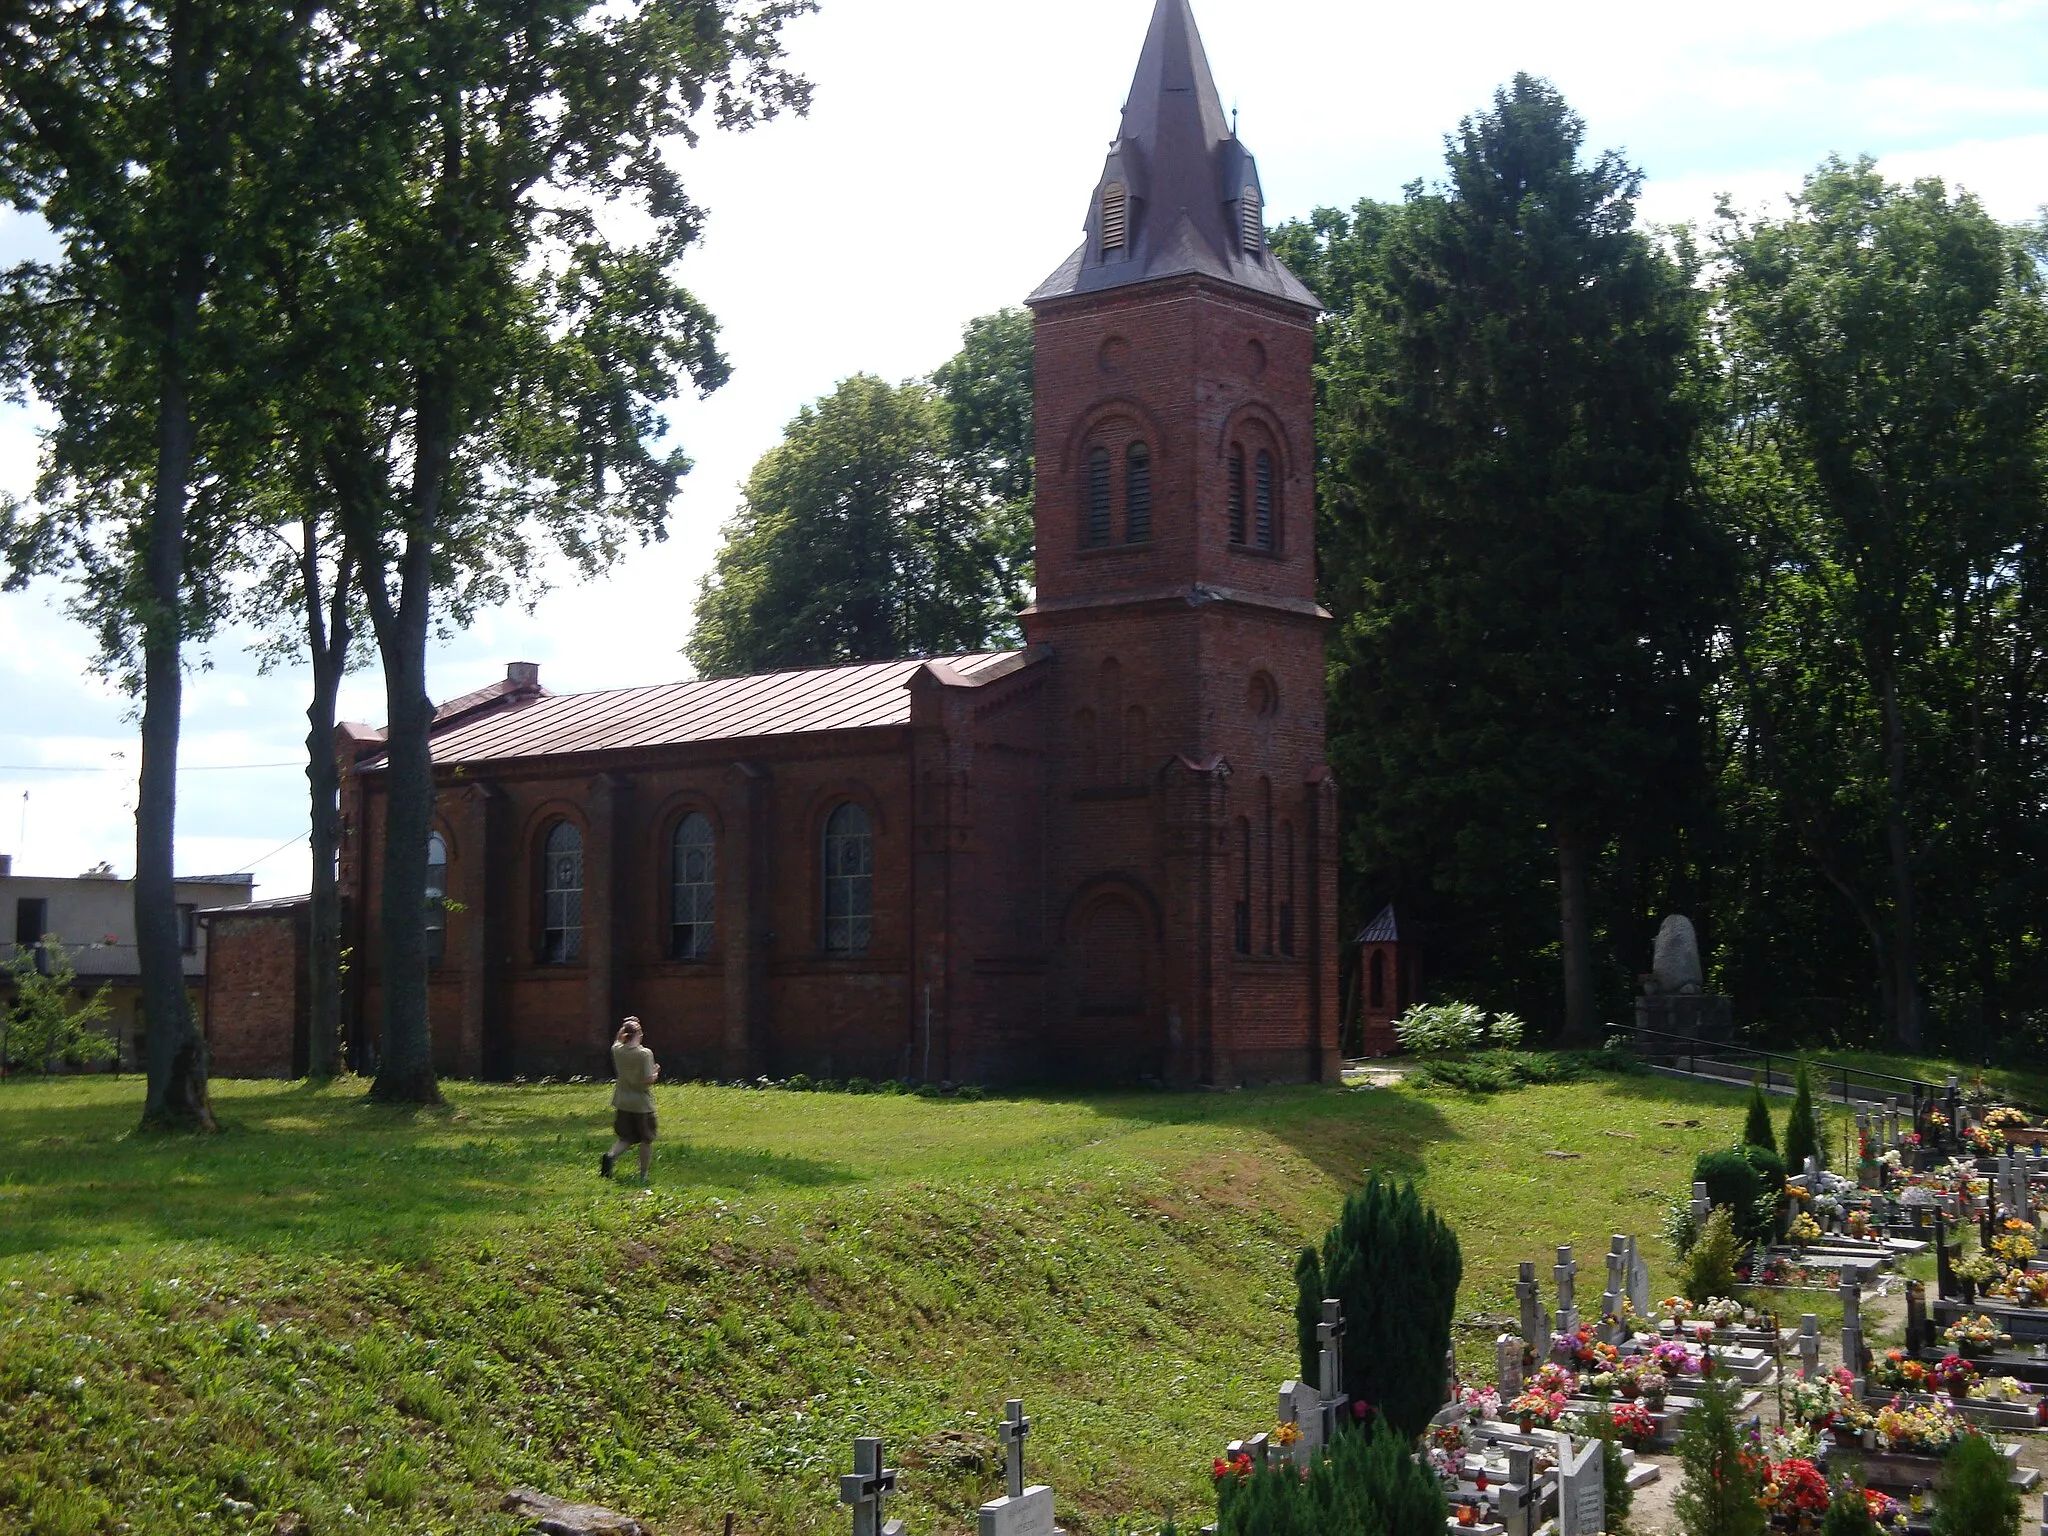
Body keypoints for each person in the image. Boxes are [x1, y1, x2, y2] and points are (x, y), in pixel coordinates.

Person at [602, 1016, 660, 1184]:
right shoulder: (644, 1054)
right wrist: (656, 1073)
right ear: (639, 1034)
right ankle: (643, 1175)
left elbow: (617, 1040)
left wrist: (624, 1026)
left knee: (626, 1137)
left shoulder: (617, 1050)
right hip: (641, 1104)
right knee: (646, 1139)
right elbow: (648, 1079)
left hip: (622, 1101)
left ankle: (610, 1156)